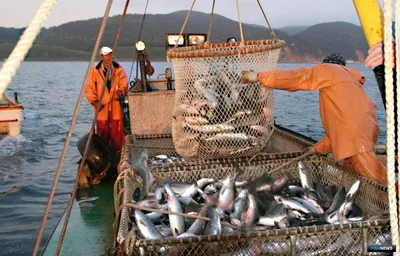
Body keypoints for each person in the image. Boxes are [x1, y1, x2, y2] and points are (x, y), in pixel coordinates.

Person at [241, 53, 387, 186]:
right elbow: (341, 128)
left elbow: (297, 78)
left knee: (377, 181)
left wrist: (258, 77)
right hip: (366, 133)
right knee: (354, 178)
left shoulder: (330, 69)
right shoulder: (352, 84)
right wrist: (317, 149)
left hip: (355, 141)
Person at [85, 46, 128, 156]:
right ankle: (103, 154)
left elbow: (124, 83)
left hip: (115, 103)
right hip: (101, 105)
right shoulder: (95, 70)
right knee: (102, 129)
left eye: (110, 54)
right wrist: (94, 102)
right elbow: (89, 88)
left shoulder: (119, 69)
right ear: (101, 56)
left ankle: (118, 153)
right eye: (106, 54)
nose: (109, 57)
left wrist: (121, 91)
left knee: (117, 129)